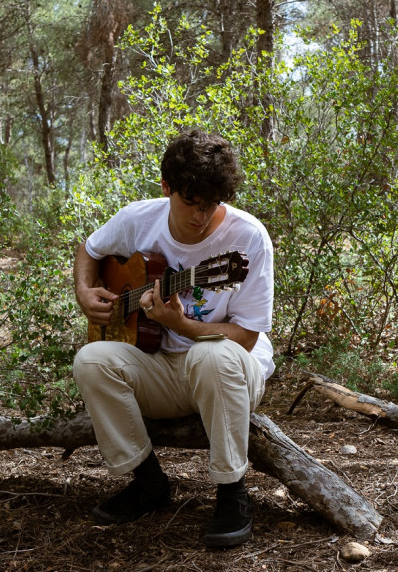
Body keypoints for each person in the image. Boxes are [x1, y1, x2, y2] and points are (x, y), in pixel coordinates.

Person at [72, 128, 275, 548]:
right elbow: (89, 251)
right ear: (166, 188)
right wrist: (85, 291)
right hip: (162, 367)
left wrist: (184, 326)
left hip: (230, 371)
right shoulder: (138, 219)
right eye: (190, 203)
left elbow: (247, 339)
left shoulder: (247, 239)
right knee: (91, 361)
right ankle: (148, 483)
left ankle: (232, 492)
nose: (201, 216)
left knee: (211, 356)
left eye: (211, 205)